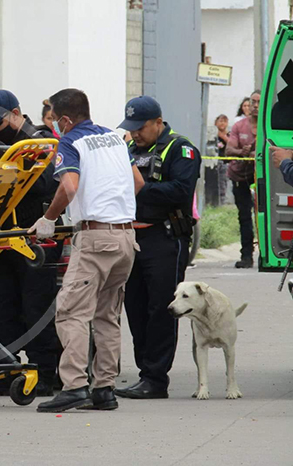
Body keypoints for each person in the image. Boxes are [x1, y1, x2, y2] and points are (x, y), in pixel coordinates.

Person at [30, 89, 142, 413]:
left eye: (54, 119)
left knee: (71, 312)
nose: (54, 125)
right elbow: (137, 182)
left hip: (95, 239)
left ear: (65, 119)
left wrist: (49, 219)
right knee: (107, 315)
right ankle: (104, 389)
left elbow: (69, 187)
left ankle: (75, 386)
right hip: (125, 237)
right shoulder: (115, 139)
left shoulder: (70, 142)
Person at [0, 89, 61, 397]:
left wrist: (8, 172)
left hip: (35, 237)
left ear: (16, 114)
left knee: (37, 307)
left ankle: (44, 373)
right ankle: (2, 371)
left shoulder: (40, 141)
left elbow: (47, 182)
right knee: (0, 307)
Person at [116, 96, 201, 399]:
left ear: (157, 122)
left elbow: (181, 191)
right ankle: (145, 372)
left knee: (161, 308)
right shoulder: (129, 150)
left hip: (164, 237)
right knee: (135, 307)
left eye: (140, 128)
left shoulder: (180, 148)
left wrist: (142, 189)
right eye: (131, 128)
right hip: (132, 237)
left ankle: (155, 378)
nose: (135, 134)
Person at [225, 91, 259, 269]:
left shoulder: (268, 126)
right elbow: (228, 150)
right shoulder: (239, 126)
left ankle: (267, 253)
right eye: (253, 102)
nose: (255, 106)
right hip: (240, 177)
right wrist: (242, 152)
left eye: (259, 102)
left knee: (264, 216)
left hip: (262, 178)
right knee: (244, 216)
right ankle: (246, 255)